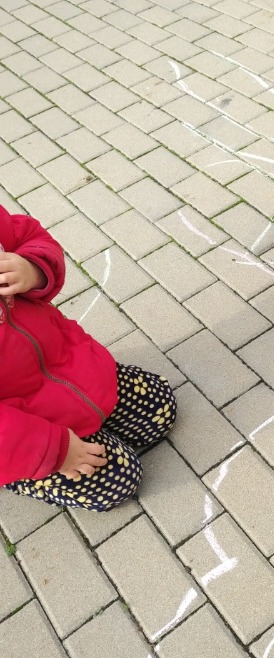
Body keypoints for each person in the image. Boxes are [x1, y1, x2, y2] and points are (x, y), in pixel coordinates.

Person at [0, 204, 177, 511]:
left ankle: (90, 412)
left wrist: (33, 268)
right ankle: (20, 475)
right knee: (120, 479)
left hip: (68, 365)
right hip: (21, 429)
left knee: (159, 409)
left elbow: (28, 235)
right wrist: (52, 450)